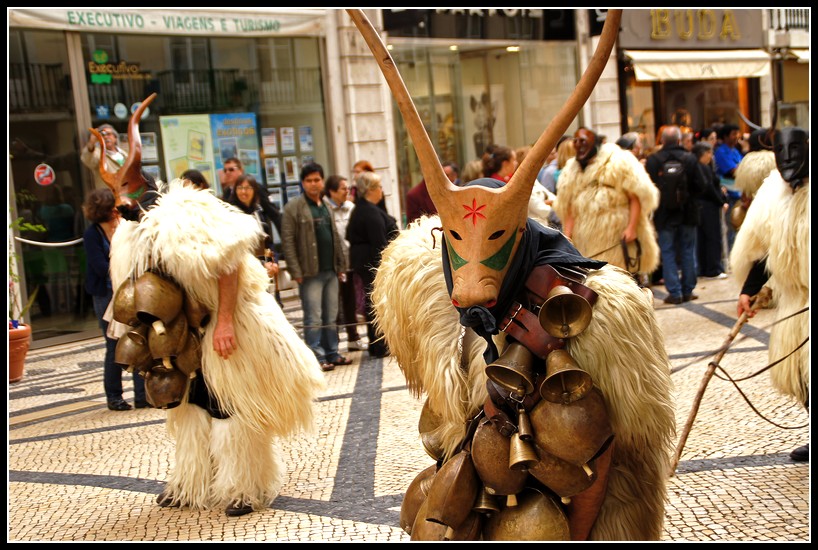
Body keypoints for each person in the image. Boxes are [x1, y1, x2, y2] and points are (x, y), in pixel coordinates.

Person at [108, 97, 326, 518]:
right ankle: (192, 483)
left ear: (142, 193)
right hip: (181, 333)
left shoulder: (184, 215)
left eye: (125, 198)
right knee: (187, 406)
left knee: (229, 405)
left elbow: (228, 262)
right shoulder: (134, 236)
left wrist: (224, 320)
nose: (120, 207)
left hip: (226, 325)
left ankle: (247, 485)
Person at [731, 126, 809, 463]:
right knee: (801, 376)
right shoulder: (774, 195)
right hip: (794, 300)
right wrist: (750, 291)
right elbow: (766, 250)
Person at [554, 127, 660, 279]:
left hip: (616, 235)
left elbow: (635, 196)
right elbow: (569, 207)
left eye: (583, 141)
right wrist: (567, 238)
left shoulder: (618, 161)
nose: (580, 145)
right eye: (576, 142)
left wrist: (631, 228)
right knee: (593, 283)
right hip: (585, 238)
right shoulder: (571, 170)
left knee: (620, 280)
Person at [82, 188, 148, 411]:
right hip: (106, 293)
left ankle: (142, 394)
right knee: (113, 344)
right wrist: (121, 269)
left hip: (126, 290)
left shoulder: (123, 228)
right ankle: (114, 396)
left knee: (137, 338)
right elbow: (100, 267)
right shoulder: (92, 234)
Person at [281, 162, 350, 372]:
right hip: (309, 273)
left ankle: (333, 352)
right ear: (303, 183)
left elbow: (336, 238)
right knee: (314, 317)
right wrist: (296, 271)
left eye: (317, 180)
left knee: (331, 315)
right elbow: (288, 241)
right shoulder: (294, 207)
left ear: (322, 181)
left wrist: (341, 265)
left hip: (330, 270)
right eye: (309, 180)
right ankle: (316, 356)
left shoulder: (326, 204)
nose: (313, 184)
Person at [646, 125, 707, 304]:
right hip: (688, 213)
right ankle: (688, 290)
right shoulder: (690, 158)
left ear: (662, 141)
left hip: (664, 215)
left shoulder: (654, 160)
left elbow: (649, 188)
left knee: (668, 252)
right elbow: (701, 185)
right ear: (679, 140)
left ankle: (675, 292)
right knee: (688, 250)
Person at [346, 170, 398, 358]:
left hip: (366, 262)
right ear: (371, 190)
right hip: (372, 264)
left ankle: (378, 343)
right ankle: (379, 343)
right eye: (380, 187)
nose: (382, 191)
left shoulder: (364, 208)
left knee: (372, 303)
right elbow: (379, 243)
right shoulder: (368, 212)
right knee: (375, 303)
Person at [323, 174, 365, 351]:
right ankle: (331, 345)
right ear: (332, 191)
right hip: (333, 265)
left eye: (348, 188)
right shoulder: (325, 209)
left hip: (351, 262)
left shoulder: (351, 208)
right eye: (343, 188)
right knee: (332, 305)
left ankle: (353, 338)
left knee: (350, 301)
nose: (347, 191)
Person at [227, 174, 281, 283]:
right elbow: (237, 248)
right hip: (242, 273)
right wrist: (261, 264)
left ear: (255, 190)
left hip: (262, 272)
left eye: (247, 188)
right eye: (240, 188)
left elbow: (267, 241)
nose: (243, 192)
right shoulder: (230, 213)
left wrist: (273, 262)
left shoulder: (258, 212)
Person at [691, 141, 728, 279]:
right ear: (704, 154)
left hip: (700, 206)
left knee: (702, 238)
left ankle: (705, 267)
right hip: (708, 206)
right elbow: (709, 188)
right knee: (712, 237)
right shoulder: (703, 168)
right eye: (710, 153)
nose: (711, 156)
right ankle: (713, 268)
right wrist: (721, 201)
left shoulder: (697, 166)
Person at [731, 128, 776, 231]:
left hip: (750, 211)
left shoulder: (746, 160)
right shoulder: (774, 160)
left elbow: (744, 191)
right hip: (772, 211)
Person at [80, 124, 127, 190]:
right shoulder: (97, 153)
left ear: (115, 138)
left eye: (109, 134)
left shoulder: (124, 154)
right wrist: (91, 143)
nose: (106, 137)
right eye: (103, 135)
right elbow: (88, 159)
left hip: (127, 192)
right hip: (109, 194)